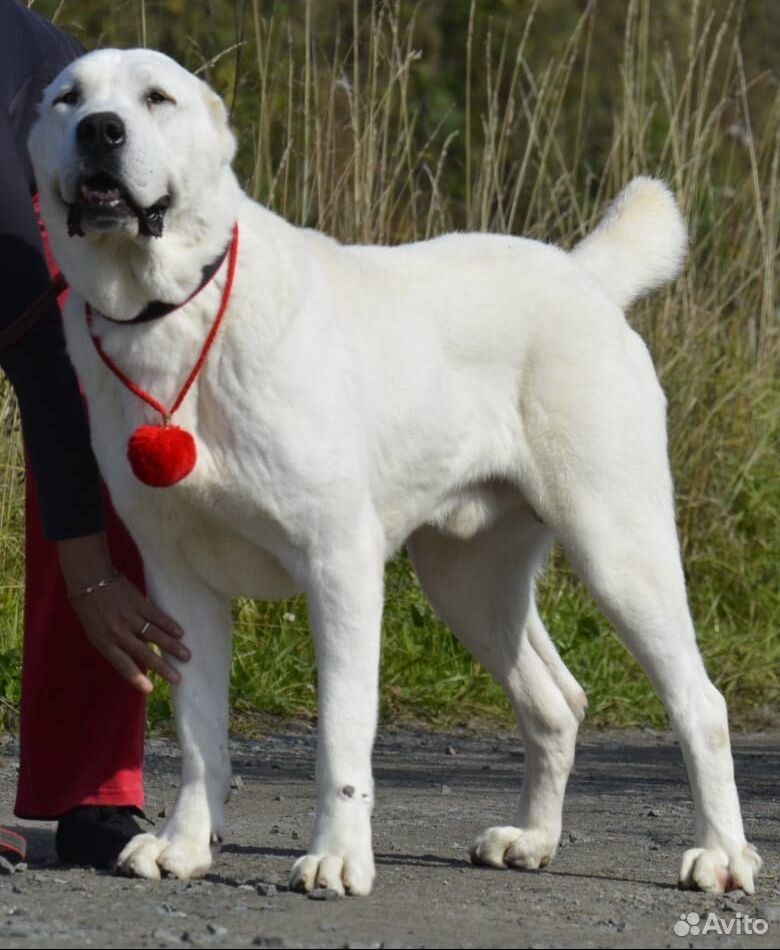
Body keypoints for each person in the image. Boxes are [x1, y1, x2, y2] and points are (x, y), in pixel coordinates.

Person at [0, 0, 190, 867]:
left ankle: (90, 786)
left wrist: (92, 578)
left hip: (29, 182)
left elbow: (48, 361)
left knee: (103, 402)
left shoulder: (44, 110)